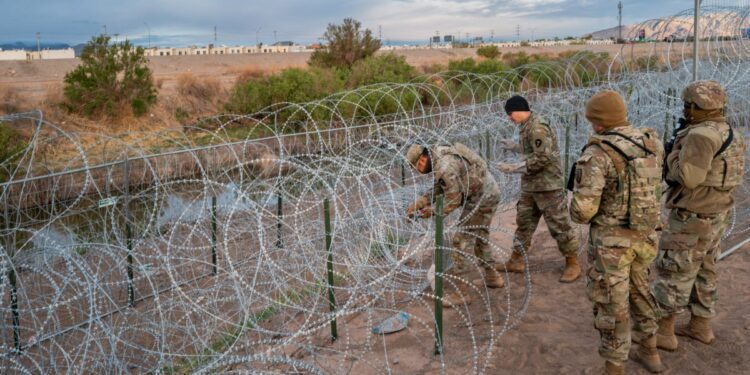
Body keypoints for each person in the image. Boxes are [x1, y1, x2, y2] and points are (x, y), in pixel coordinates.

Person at [570, 90, 666, 374]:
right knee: (641, 291)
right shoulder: (651, 142)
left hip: (612, 245)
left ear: (598, 122)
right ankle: (650, 352)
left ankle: (614, 367)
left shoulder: (597, 153)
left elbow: (583, 211)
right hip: (646, 235)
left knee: (612, 303)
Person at [652, 80, 746, 351]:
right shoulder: (729, 131)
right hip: (717, 213)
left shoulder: (701, 135)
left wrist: (670, 155)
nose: (685, 109)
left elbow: (688, 178)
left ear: (698, 106)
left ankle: (664, 333)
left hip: (693, 215)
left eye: (688, 105)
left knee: (674, 269)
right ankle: (700, 326)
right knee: (705, 270)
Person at [405, 142, 503, 307]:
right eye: (416, 167)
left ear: (424, 156)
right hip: (484, 192)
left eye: (420, 164)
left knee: (460, 242)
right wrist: (423, 200)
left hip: (482, 197)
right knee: (479, 237)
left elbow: (453, 199)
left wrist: (432, 211)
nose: (419, 169)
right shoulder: (440, 154)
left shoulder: (444, 165)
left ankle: (462, 294)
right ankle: (493, 277)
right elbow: (442, 185)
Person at [497, 95, 581, 283]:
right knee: (524, 223)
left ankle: (572, 262)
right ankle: (516, 260)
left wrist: (515, 168)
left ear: (520, 110)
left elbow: (543, 158)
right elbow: (532, 150)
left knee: (559, 225)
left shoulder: (537, 127)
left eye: (510, 114)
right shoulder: (526, 127)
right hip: (531, 186)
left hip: (547, 186)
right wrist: (515, 147)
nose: (509, 118)